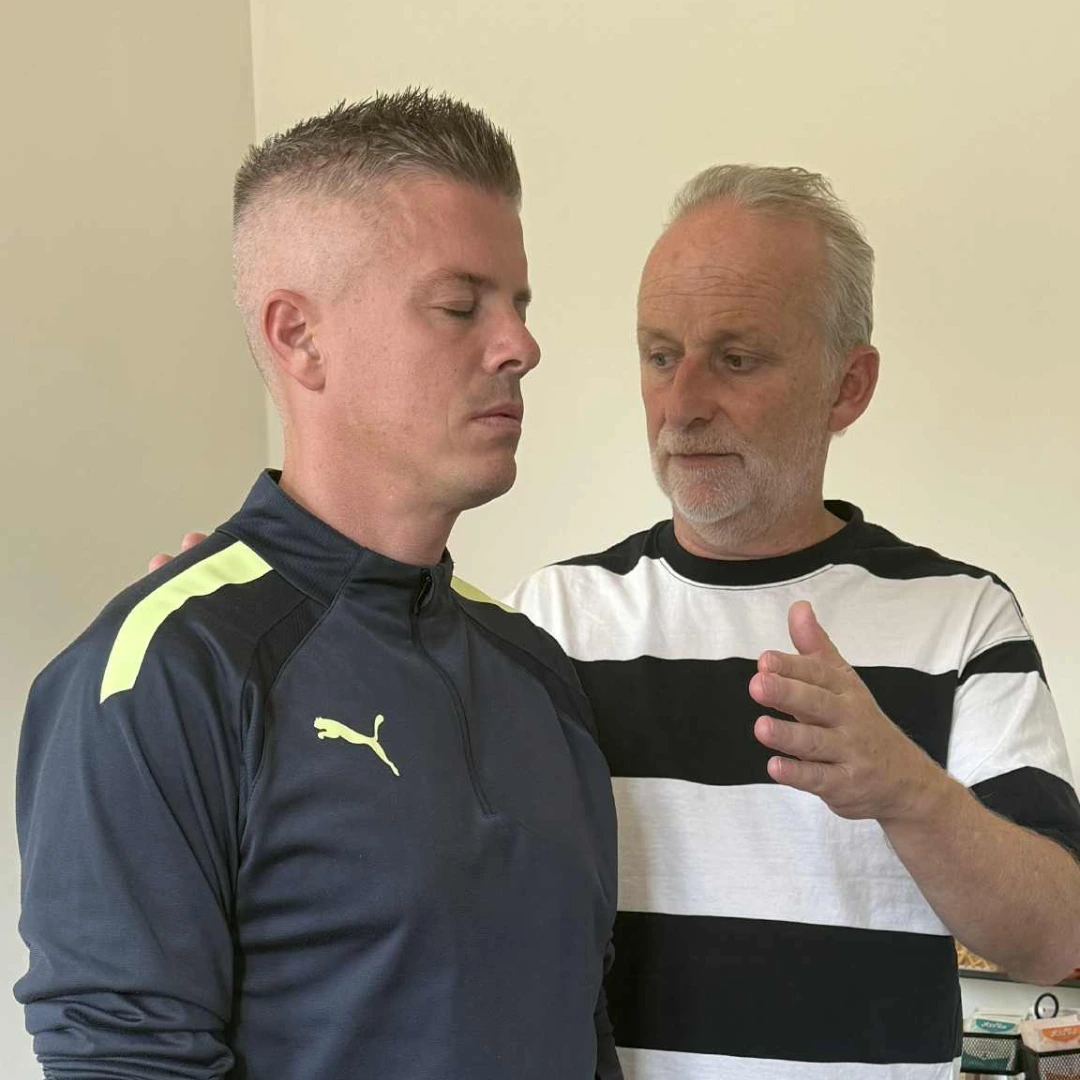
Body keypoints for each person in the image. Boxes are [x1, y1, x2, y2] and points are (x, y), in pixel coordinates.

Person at [15, 91, 620, 1080]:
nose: (520, 345)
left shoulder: (535, 671)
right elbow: (125, 1059)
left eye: (520, 304)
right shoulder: (166, 674)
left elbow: (579, 1033)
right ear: (299, 337)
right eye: (461, 305)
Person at [507, 166, 1080, 1080]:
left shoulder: (964, 618)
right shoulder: (554, 619)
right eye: (661, 355)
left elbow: (1053, 940)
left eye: (736, 359)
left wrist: (906, 791)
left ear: (847, 386)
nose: (683, 404)